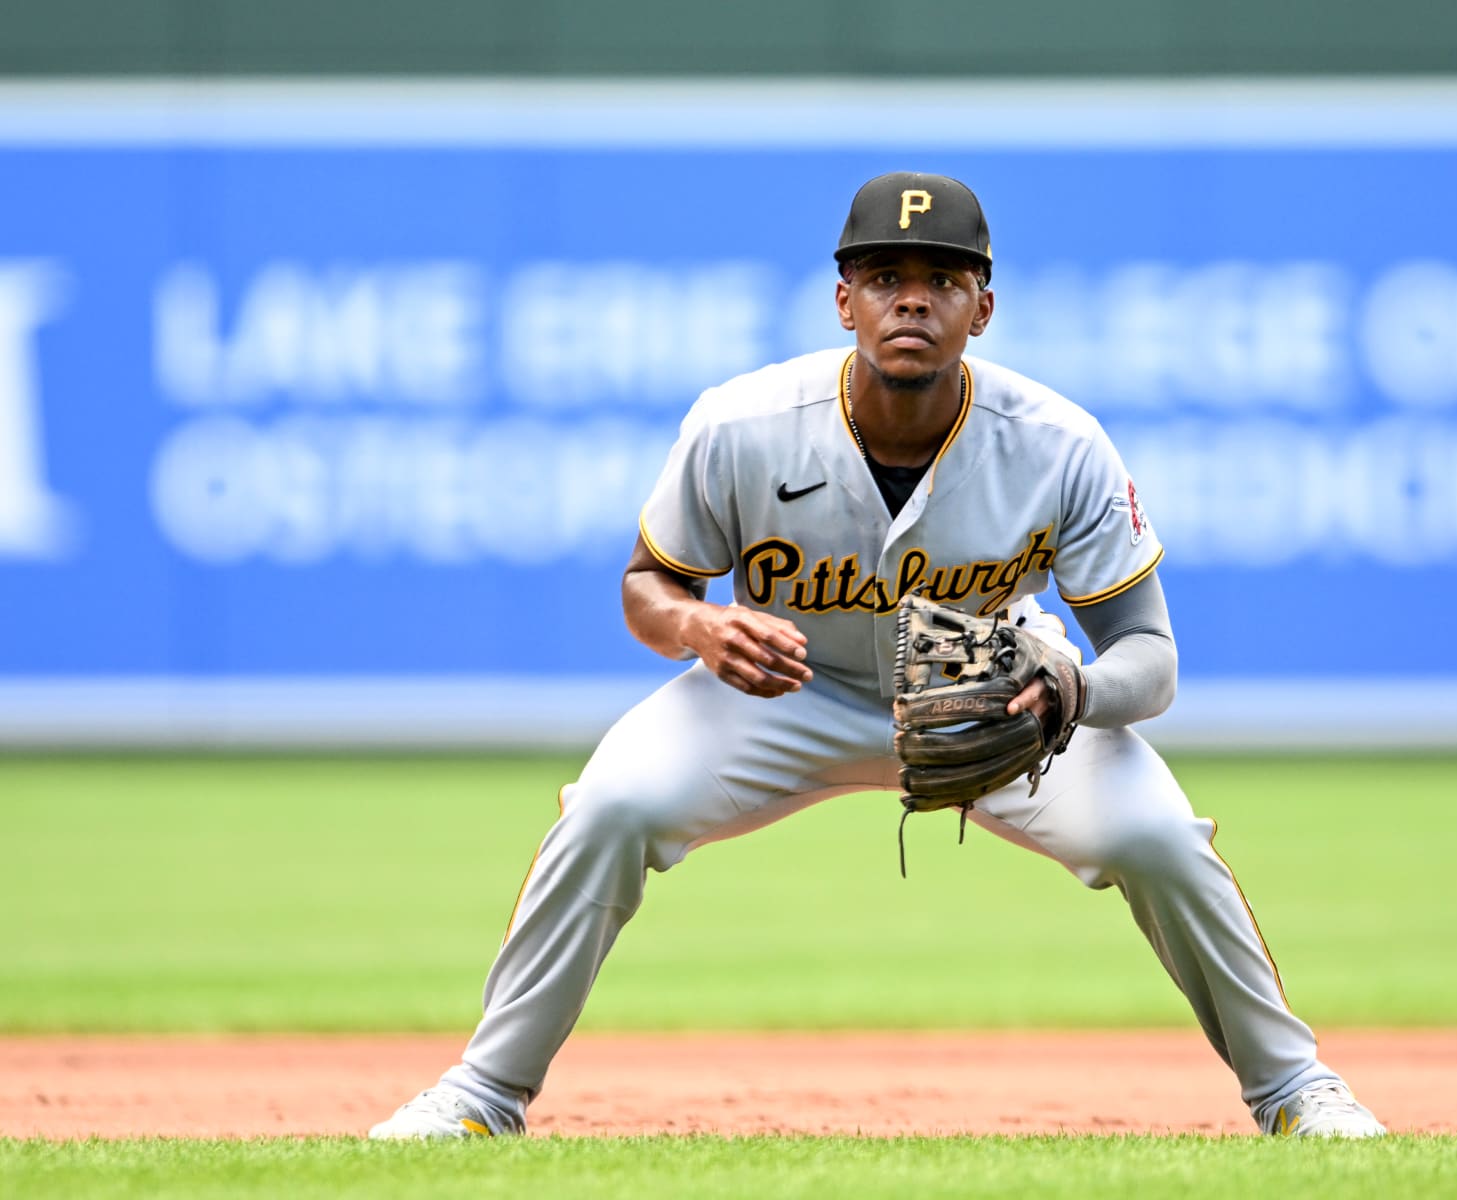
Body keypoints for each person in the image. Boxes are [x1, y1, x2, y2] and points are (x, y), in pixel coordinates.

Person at [371, 172, 1386, 1140]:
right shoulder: (743, 424)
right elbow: (648, 583)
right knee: (611, 807)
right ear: (842, 301)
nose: (914, 302)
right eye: (886, 279)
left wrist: (1069, 687)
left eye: (942, 280)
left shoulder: (1057, 443)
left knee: (1158, 840)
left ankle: (1299, 1091)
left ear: (982, 309)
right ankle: (482, 1092)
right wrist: (696, 627)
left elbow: (1151, 660)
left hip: (994, 695)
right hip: (780, 687)